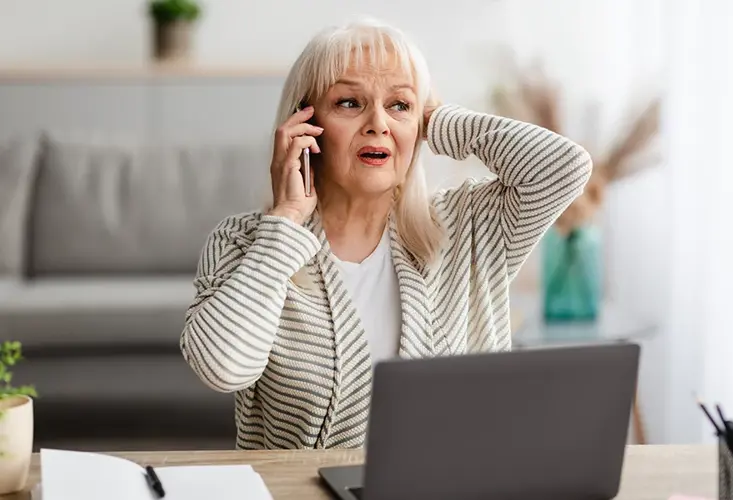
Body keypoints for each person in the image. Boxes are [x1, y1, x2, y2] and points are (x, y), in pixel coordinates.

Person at [180, 18, 592, 450]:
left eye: (397, 106)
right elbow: (221, 367)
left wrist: (432, 119)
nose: (378, 123)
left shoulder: (469, 225)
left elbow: (565, 168)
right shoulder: (245, 242)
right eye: (349, 103)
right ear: (304, 125)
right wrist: (285, 221)